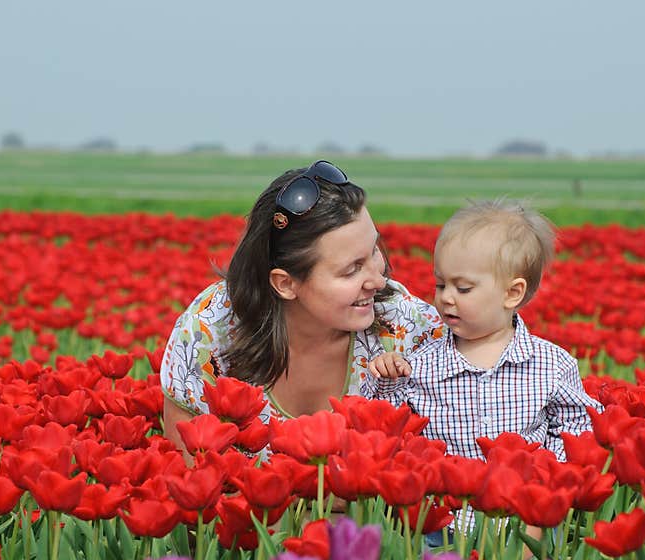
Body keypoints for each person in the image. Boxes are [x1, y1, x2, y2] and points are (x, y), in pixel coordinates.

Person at [160, 160, 444, 460]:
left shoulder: (407, 325)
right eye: (352, 270)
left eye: (374, 250)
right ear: (285, 284)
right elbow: (188, 473)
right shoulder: (209, 331)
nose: (378, 279)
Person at [369, 199, 603, 545]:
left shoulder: (550, 365)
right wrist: (389, 382)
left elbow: (578, 429)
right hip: (444, 524)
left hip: (523, 524)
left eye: (463, 289)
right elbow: (390, 429)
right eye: (440, 285)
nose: (447, 298)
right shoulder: (421, 365)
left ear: (513, 293)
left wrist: (544, 483)